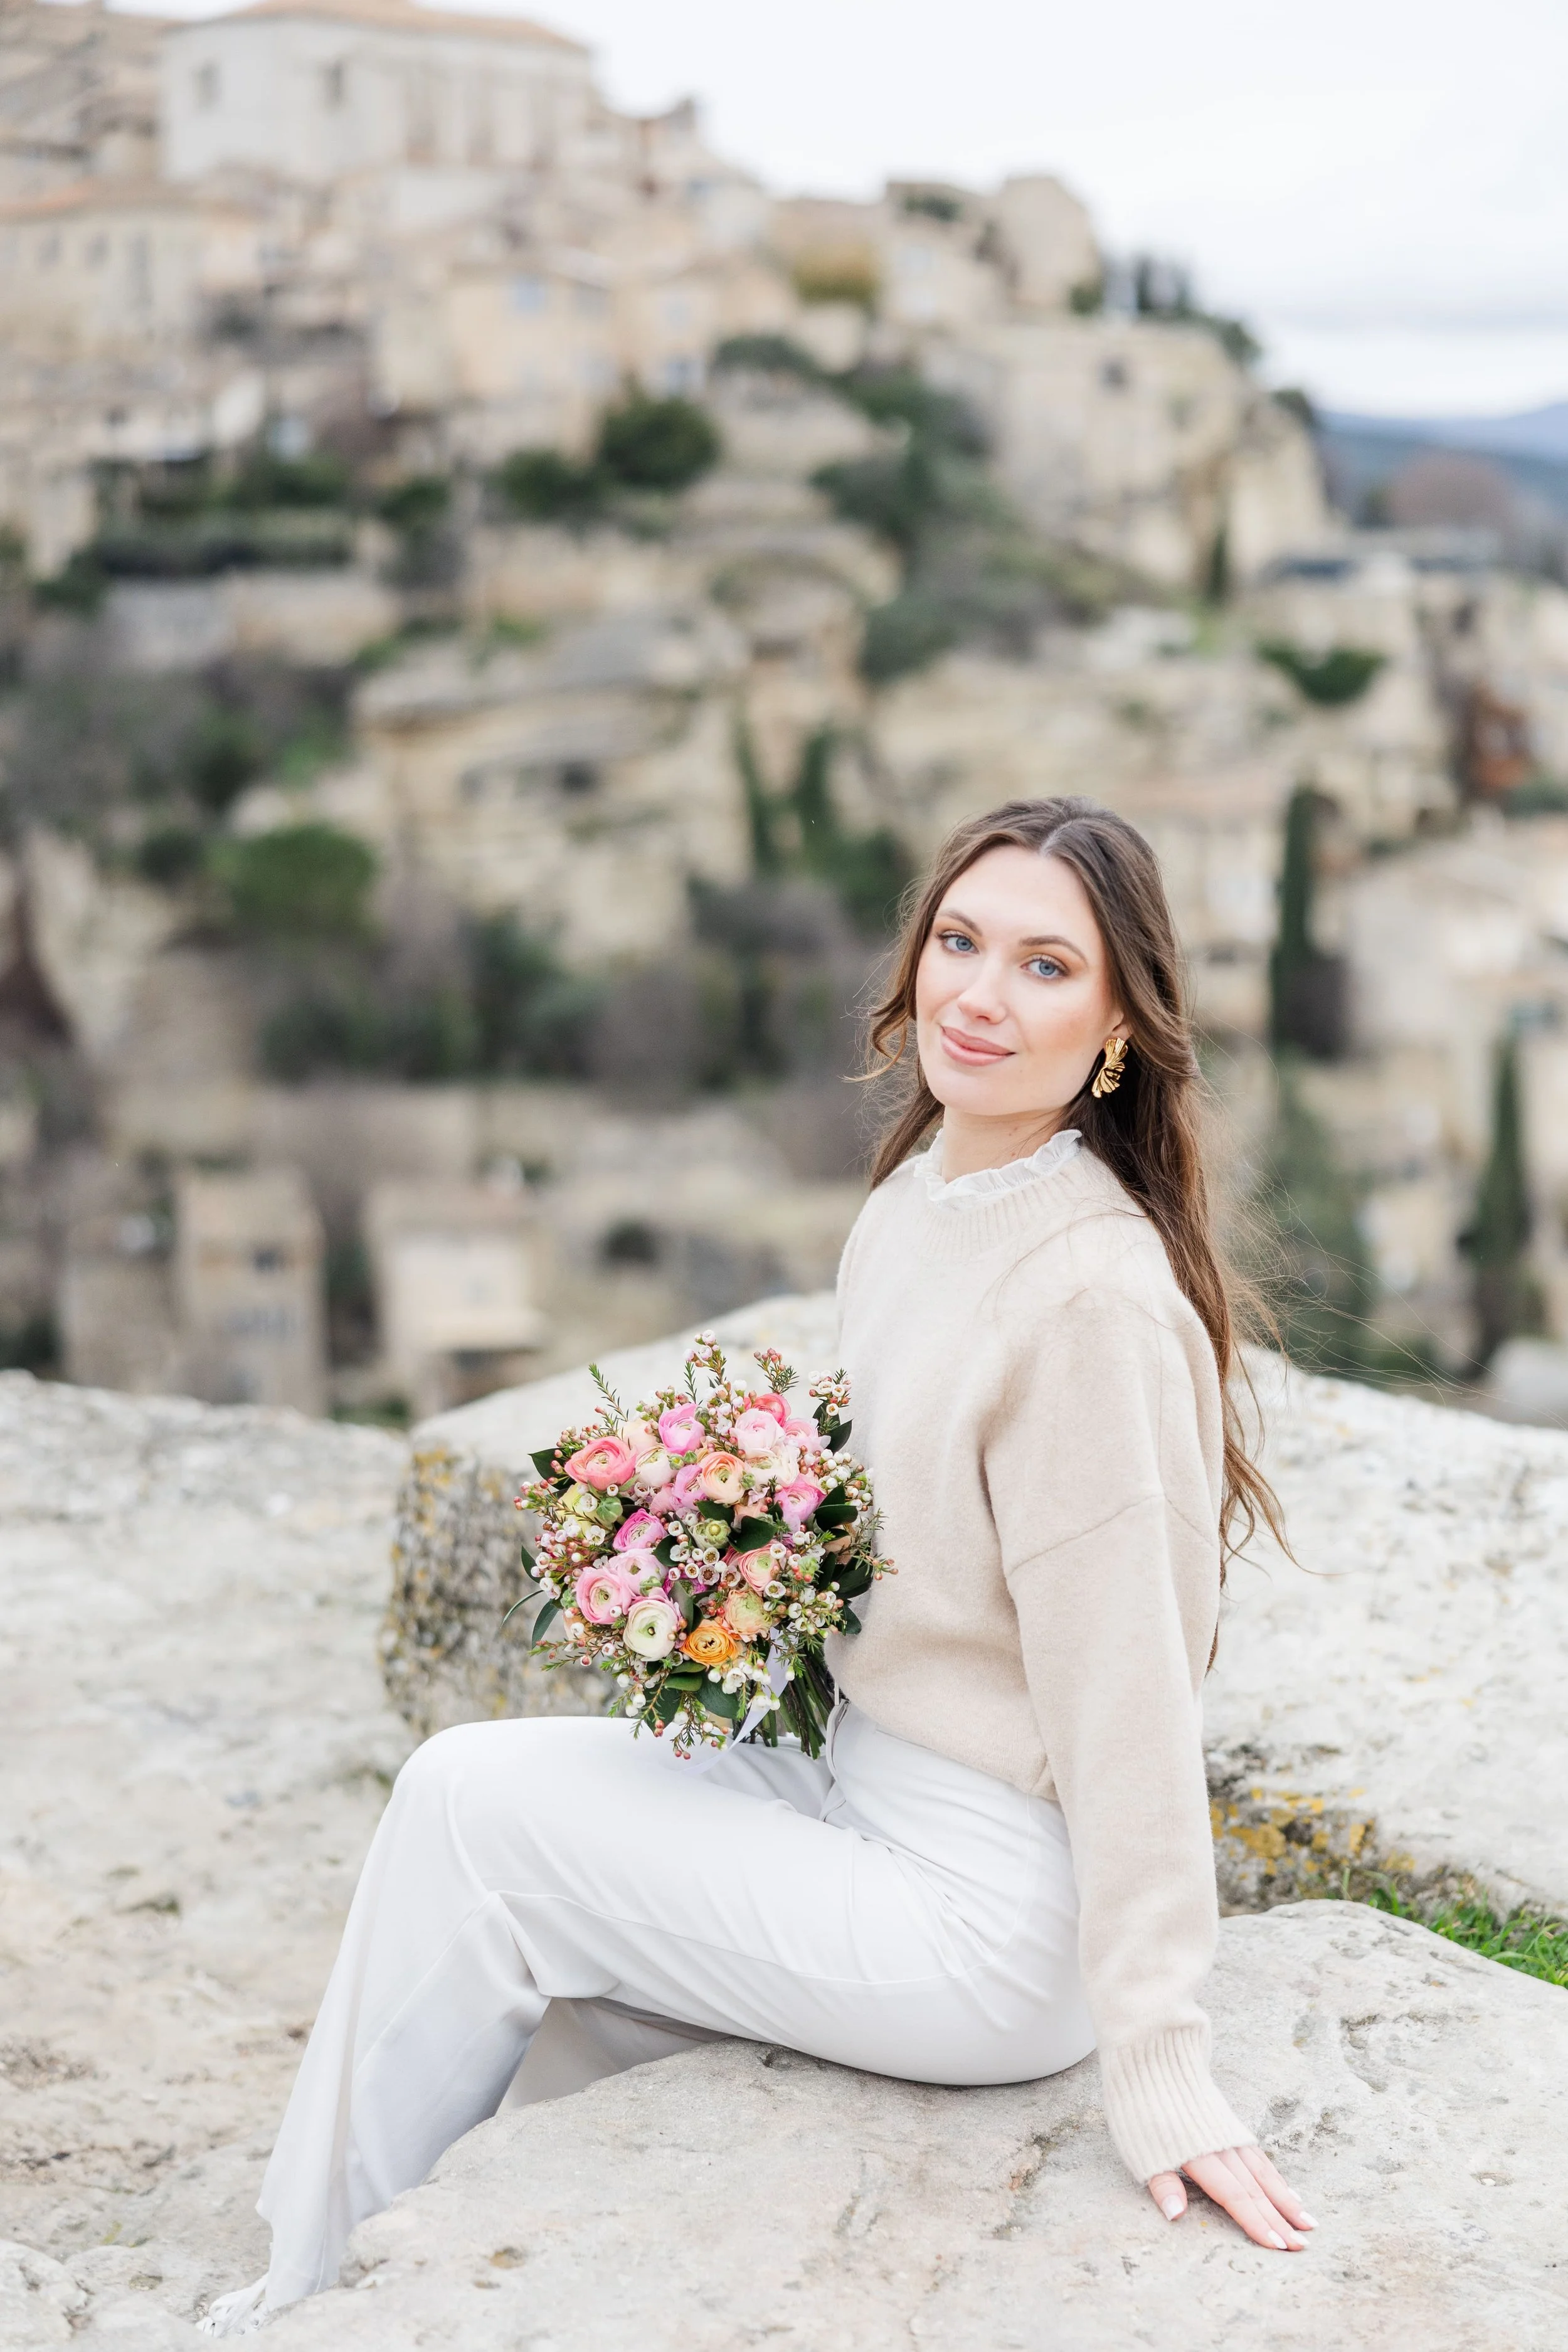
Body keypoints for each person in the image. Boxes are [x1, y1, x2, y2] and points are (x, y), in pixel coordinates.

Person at [200, 795, 1311, 2335]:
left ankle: (301, 2304)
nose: (978, 995)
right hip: (851, 1778)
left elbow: (1128, 1701)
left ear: (1121, 1024)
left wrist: (1159, 2059)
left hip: (984, 1905)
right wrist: (721, 1569)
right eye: (960, 941)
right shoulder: (923, 1202)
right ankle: (338, 2278)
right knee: (463, 1820)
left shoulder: (1088, 1302)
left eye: (1047, 967)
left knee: (473, 1821)